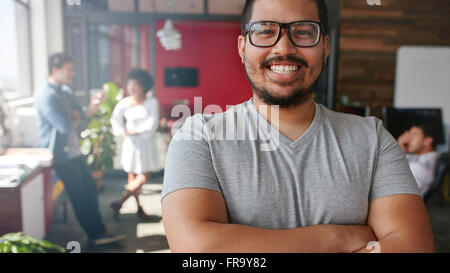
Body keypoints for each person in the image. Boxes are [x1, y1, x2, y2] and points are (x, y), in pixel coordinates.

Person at [161, 0, 435, 253]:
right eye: (265, 31)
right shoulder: (199, 137)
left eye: (304, 32)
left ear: (325, 47)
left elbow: (414, 245)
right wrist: (338, 237)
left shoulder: (373, 139)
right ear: (243, 47)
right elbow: (197, 249)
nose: (283, 48)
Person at [34, 53, 126, 246]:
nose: (73, 73)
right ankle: (95, 234)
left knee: (90, 190)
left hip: (74, 152)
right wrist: (76, 116)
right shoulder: (46, 95)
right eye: (69, 69)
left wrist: (91, 107)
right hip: (60, 156)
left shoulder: (64, 92)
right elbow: (65, 125)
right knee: (80, 196)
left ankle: (98, 230)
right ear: (55, 70)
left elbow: (82, 116)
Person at [110, 69, 161, 221]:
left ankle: (120, 202)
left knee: (143, 176)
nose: (132, 89)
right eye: (129, 86)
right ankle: (139, 209)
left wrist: (135, 131)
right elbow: (115, 120)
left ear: (144, 86)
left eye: (135, 86)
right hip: (130, 145)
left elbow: (153, 123)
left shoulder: (152, 102)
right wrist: (123, 132)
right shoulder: (124, 103)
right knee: (132, 179)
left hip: (145, 144)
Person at [398, 123, 440, 197]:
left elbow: (400, 188)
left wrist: (399, 148)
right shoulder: (419, 157)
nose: (408, 139)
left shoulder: (423, 165)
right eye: (409, 134)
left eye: (413, 135)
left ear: (427, 141)